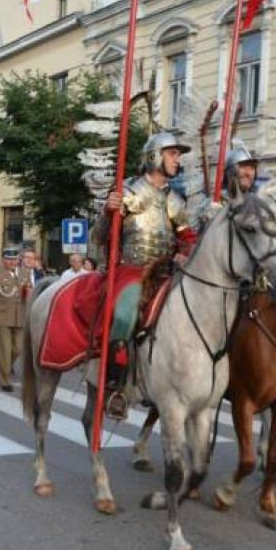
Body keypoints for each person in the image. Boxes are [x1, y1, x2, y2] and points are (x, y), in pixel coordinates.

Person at [91, 131, 195, 411]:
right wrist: (106, 213)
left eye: (177, 155)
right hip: (132, 271)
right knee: (125, 313)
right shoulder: (128, 192)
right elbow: (98, 238)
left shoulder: (175, 200)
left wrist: (186, 254)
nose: (177, 159)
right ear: (154, 157)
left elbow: (188, 240)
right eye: (172, 154)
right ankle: (116, 386)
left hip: (166, 273)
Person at [0, 248, 27, 392]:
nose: (12, 262)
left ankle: (5, 365)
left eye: (15, 259)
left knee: (18, 349)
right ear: (4, 260)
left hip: (20, 317)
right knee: (5, 349)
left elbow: (30, 293)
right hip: (2, 317)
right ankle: (5, 380)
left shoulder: (24, 273)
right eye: (9, 260)